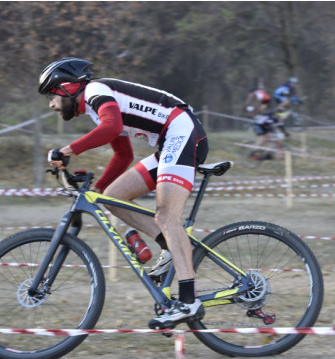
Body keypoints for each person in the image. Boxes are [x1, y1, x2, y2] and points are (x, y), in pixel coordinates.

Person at [39, 57, 208, 326]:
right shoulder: (98, 106)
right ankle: (168, 247)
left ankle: (189, 301)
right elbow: (123, 154)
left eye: (52, 95)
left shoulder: (95, 91)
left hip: (182, 131)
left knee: (166, 216)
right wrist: (96, 189)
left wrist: (68, 150)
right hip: (170, 140)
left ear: (68, 87)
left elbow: (112, 128)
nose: (51, 104)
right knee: (112, 198)